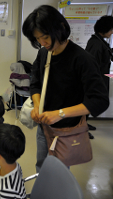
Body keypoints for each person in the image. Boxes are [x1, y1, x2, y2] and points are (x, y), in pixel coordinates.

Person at [22, 5, 109, 172]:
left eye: (45, 37)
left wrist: (59, 113)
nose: (42, 43)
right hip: (43, 127)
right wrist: (37, 105)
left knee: (59, 172)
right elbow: (35, 83)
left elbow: (99, 101)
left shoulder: (82, 59)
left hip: (66, 130)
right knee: (41, 167)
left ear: (60, 27)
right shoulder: (43, 54)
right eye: (38, 38)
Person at [85, 15, 113, 136]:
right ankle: (82, 129)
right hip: (94, 81)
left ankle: (84, 124)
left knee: (89, 104)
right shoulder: (96, 44)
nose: (112, 32)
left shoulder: (100, 41)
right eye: (111, 29)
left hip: (101, 78)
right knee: (87, 103)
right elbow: (92, 66)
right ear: (104, 29)